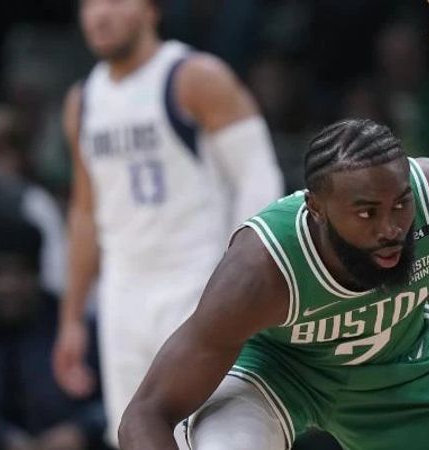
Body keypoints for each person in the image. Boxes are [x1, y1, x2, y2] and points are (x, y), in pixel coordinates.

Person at [117, 119, 429, 450]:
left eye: (400, 204)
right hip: (276, 374)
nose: (391, 228)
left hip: (398, 373)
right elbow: (145, 415)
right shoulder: (258, 271)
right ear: (316, 209)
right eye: (367, 213)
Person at [52, 0, 284, 445]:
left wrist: (245, 286)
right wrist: (72, 316)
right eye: (89, 4)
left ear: (151, 8)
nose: (100, 15)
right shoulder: (82, 101)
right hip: (122, 295)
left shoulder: (196, 77)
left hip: (197, 285)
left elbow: (260, 180)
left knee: (208, 434)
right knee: (131, 434)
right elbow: (85, 213)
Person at [0, 215, 108, 450]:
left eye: (21, 272)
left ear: (38, 273)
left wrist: (81, 430)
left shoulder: (72, 328)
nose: (9, 285)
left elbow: (120, 395)